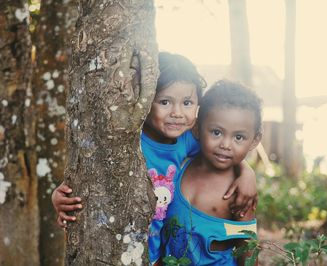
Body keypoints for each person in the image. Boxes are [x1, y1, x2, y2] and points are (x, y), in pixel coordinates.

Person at [52, 53, 258, 265]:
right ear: (145, 100)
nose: (177, 113)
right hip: (116, 249)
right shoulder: (127, 141)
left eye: (187, 102)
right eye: (165, 102)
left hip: (153, 257)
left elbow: (225, 149)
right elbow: (89, 171)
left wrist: (247, 173)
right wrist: (59, 196)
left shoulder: (188, 139)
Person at [161, 80, 262, 265]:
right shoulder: (179, 164)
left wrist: (248, 172)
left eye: (238, 137)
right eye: (216, 132)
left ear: (254, 141)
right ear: (197, 128)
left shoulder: (239, 193)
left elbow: (247, 250)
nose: (225, 144)